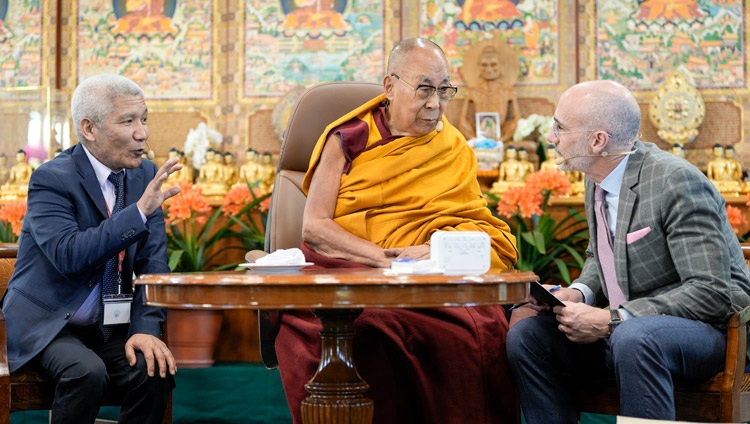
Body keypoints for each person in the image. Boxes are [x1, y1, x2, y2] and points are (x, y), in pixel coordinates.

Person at [276, 38, 519, 424]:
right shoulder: (348, 139)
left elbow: (471, 219)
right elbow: (316, 226)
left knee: (484, 323)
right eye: (424, 89)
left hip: (430, 274)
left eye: (444, 90)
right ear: (389, 87)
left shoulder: (451, 145)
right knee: (374, 327)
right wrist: (385, 261)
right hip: (357, 271)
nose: (435, 104)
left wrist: (436, 249)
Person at [506, 79, 750, 422]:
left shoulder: (676, 181)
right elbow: (600, 254)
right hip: (627, 330)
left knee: (635, 338)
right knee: (529, 335)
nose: (551, 137)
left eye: (560, 127)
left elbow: (711, 293)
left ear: (597, 140)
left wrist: (612, 320)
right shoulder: (596, 174)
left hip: (708, 333)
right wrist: (578, 293)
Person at [1, 74, 182, 424]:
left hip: (109, 324)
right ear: (89, 128)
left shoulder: (144, 176)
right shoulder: (52, 178)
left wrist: (145, 327)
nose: (142, 133)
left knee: (153, 370)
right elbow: (69, 255)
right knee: (86, 373)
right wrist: (139, 212)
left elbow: (154, 263)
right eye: (127, 121)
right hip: (50, 321)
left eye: (144, 119)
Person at [459, 45, 521, 143]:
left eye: (493, 65)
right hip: (477, 135)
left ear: (501, 66)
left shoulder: (508, 91)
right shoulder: (473, 91)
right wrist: (475, 140)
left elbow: (517, 118)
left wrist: (502, 139)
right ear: (479, 67)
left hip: (502, 136)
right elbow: (463, 120)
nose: (489, 69)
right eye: (484, 65)